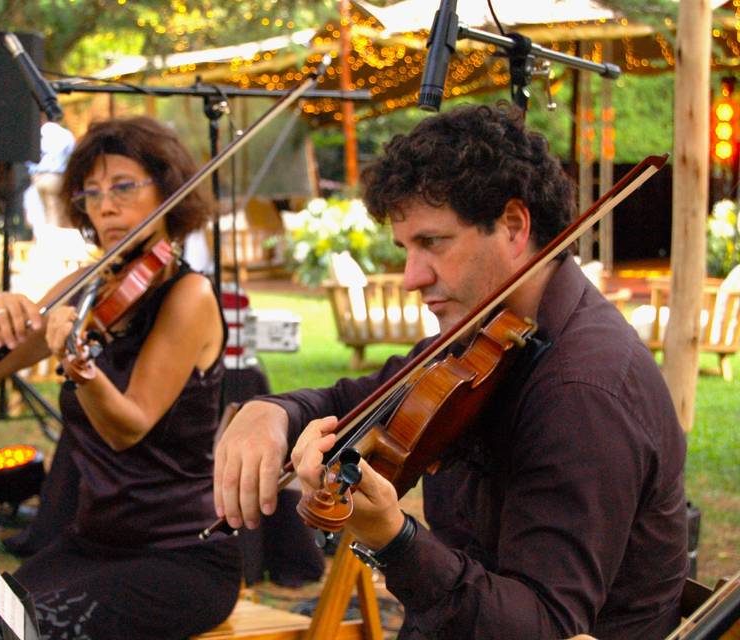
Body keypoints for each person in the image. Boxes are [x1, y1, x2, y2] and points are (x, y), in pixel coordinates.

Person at [213, 103, 688, 639]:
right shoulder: (480, 338)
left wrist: (396, 540)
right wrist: (272, 410)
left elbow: (545, 626)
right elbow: (356, 400)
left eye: (432, 243)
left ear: (513, 225)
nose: (413, 276)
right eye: (404, 248)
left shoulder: (581, 391)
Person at [0, 116, 241, 639]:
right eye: (91, 192)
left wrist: (78, 365)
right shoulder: (89, 285)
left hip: (181, 556)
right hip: (94, 543)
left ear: (169, 190)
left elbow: (128, 425)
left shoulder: (188, 295)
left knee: (45, 629)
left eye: (124, 187)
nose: (106, 205)